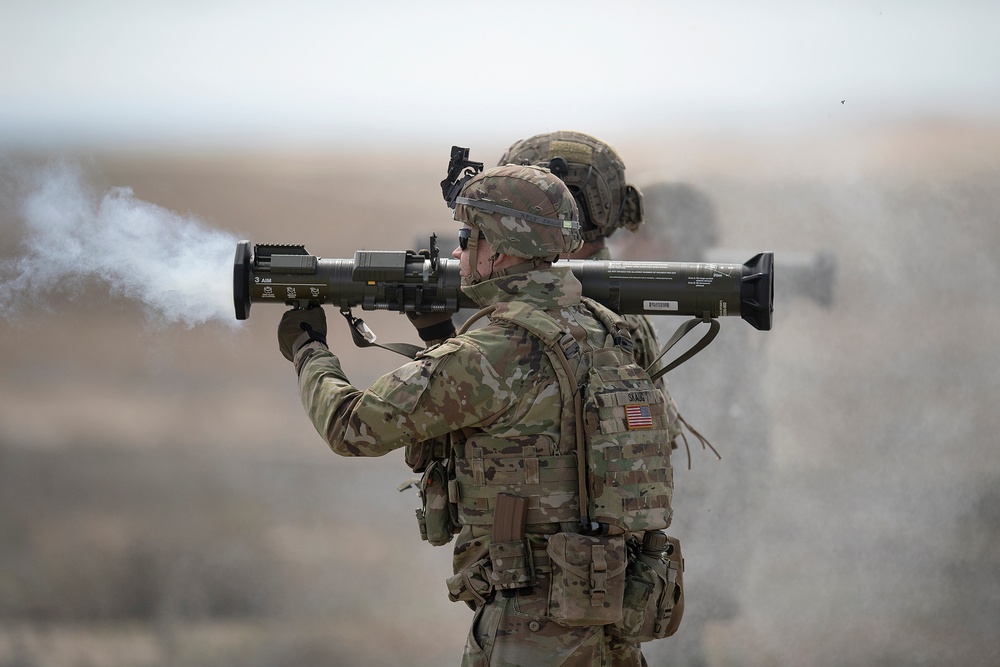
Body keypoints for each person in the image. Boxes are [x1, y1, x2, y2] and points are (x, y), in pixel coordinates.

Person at [277, 163, 679, 666]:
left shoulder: (492, 350)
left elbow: (350, 426)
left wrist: (308, 348)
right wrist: (439, 335)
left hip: (531, 629)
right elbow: (532, 420)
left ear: (501, 249)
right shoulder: (605, 326)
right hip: (613, 616)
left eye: (468, 238)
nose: (456, 251)